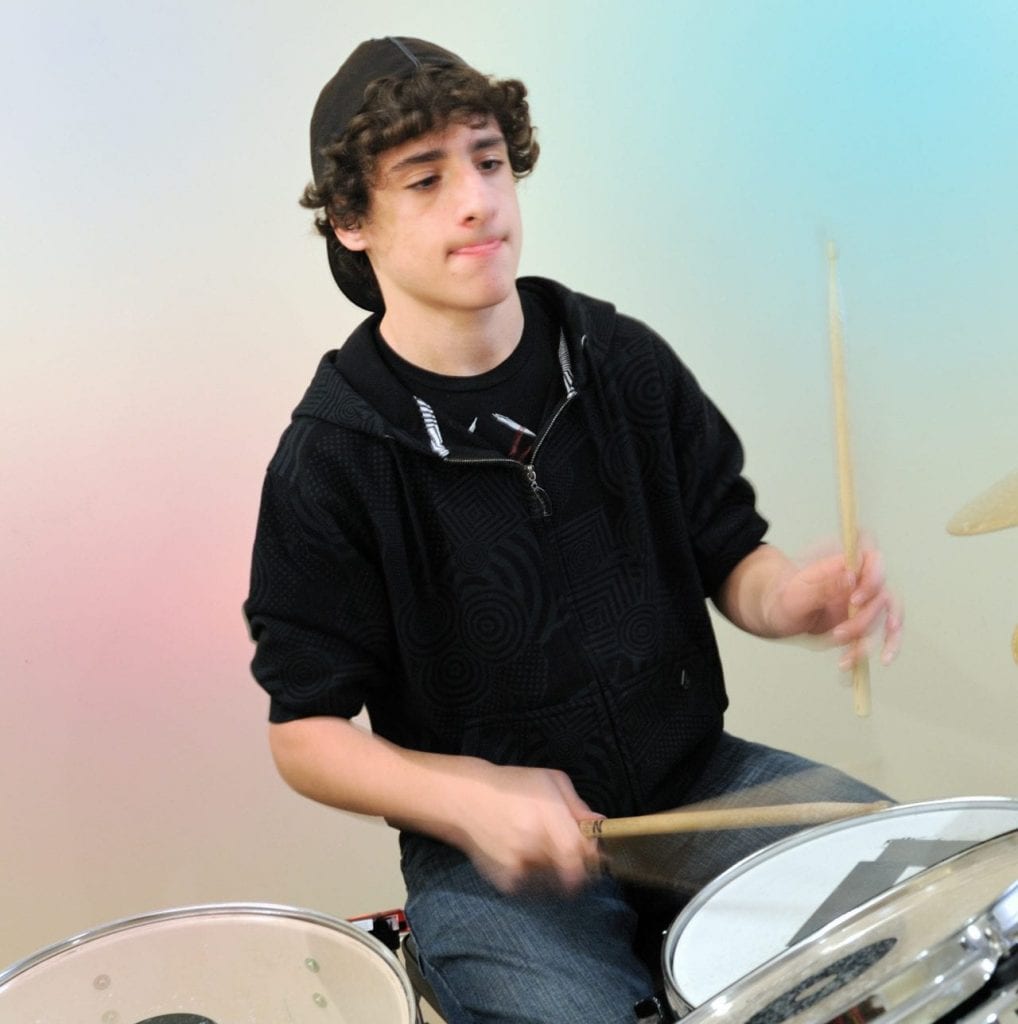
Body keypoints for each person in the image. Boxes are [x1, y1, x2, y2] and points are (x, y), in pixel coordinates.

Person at [244, 36, 903, 1024]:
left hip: (698, 784)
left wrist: (793, 597)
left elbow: (732, 557)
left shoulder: (615, 358)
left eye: (488, 160)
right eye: (425, 178)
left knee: (918, 890)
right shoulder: (334, 455)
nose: (477, 200)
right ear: (350, 221)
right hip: (491, 862)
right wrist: (470, 795)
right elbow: (305, 735)